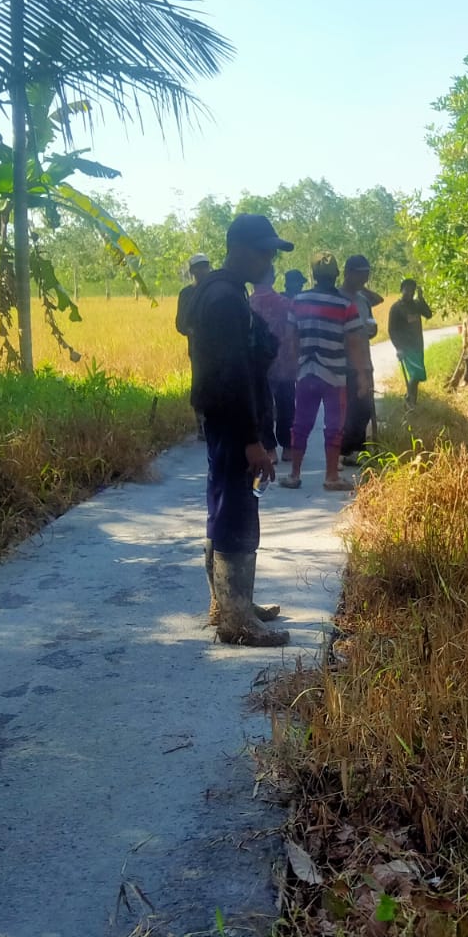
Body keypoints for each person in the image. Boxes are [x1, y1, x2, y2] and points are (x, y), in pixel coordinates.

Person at [188, 216, 292, 648]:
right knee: (236, 511)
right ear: (240, 248)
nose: (268, 260)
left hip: (222, 419)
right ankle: (236, 622)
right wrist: (253, 439)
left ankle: (231, 604)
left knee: (222, 506)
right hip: (234, 423)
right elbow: (233, 373)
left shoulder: (217, 291)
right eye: (263, 251)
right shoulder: (227, 299)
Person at [279, 252, 369, 493]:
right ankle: (331, 477)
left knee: (301, 423)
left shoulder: (297, 301)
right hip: (335, 375)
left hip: (307, 372)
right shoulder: (345, 305)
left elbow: (291, 339)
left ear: (313, 275)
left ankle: (294, 474)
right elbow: (354, 343)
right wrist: (361, 375)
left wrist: (295, 364)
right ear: (337, 275)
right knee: (334, 425)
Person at [249, 266, 297, 461]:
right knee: (286, 404)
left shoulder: (248, 303)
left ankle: (270, 450)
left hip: (259, 363)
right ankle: (287, 447)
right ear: (273, 278)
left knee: (264, 406)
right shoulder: (286, 303)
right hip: (284, 360)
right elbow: (295, 331)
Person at [338, 254, 381, 463]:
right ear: (348, 273)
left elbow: (370, 325)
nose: (364, 281)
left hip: (365, 361)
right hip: (343, 363)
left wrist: (372, 331)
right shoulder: (337, 298)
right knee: (349, 409)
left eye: (367, 276)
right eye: (361, 276)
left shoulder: (363, 300)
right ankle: (346, 450)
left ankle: (358, 449)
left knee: (364, 407)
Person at [174, 252, 213, 438]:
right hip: (197, 349)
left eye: (205, 265)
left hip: (218, 349)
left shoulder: (216, 290)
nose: (203, 270)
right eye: (199, 266)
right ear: (192, 271)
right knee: (198, 385)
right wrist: (194, 332)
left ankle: (216, 423)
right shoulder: (186, 294)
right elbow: (180, 324)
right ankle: (200, 426)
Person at [386, 278, 433, 406]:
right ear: (402, 290)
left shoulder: (417, 305)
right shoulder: (396, 308)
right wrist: (398, 348)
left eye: (412, 290)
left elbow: (429, 314)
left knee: (417, 377)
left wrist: (422, 298)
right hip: (406, 347)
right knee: (416, 373)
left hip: (418, 345)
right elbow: (391, 330)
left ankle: (412, 402)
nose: (410, 292)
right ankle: (408, 398)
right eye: (407, 289)